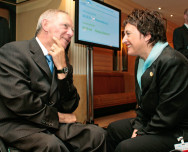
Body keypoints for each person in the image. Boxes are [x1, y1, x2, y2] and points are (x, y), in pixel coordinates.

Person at [0, 9, 106, 152]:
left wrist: (62, 69)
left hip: (49, 124)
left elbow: (70, 105)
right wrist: (59, 118)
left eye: (72, 29)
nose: (71, 33)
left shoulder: (64, 62)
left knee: (96, 134)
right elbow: (20, 100)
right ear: (45, 25)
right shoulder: (13, 51)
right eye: (66, 26)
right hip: (19, 124)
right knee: (52, 146)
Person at [106, 9, 188, 152]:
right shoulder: (140, 61)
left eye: (128, 34)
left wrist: (142, 132)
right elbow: (143, 106)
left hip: (177, 129)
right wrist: (138, 126)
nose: (124, 39)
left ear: (147, 35)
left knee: (126, 148)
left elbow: (168, 115)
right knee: (113, 129)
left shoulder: (173, 61)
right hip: (155, 121)